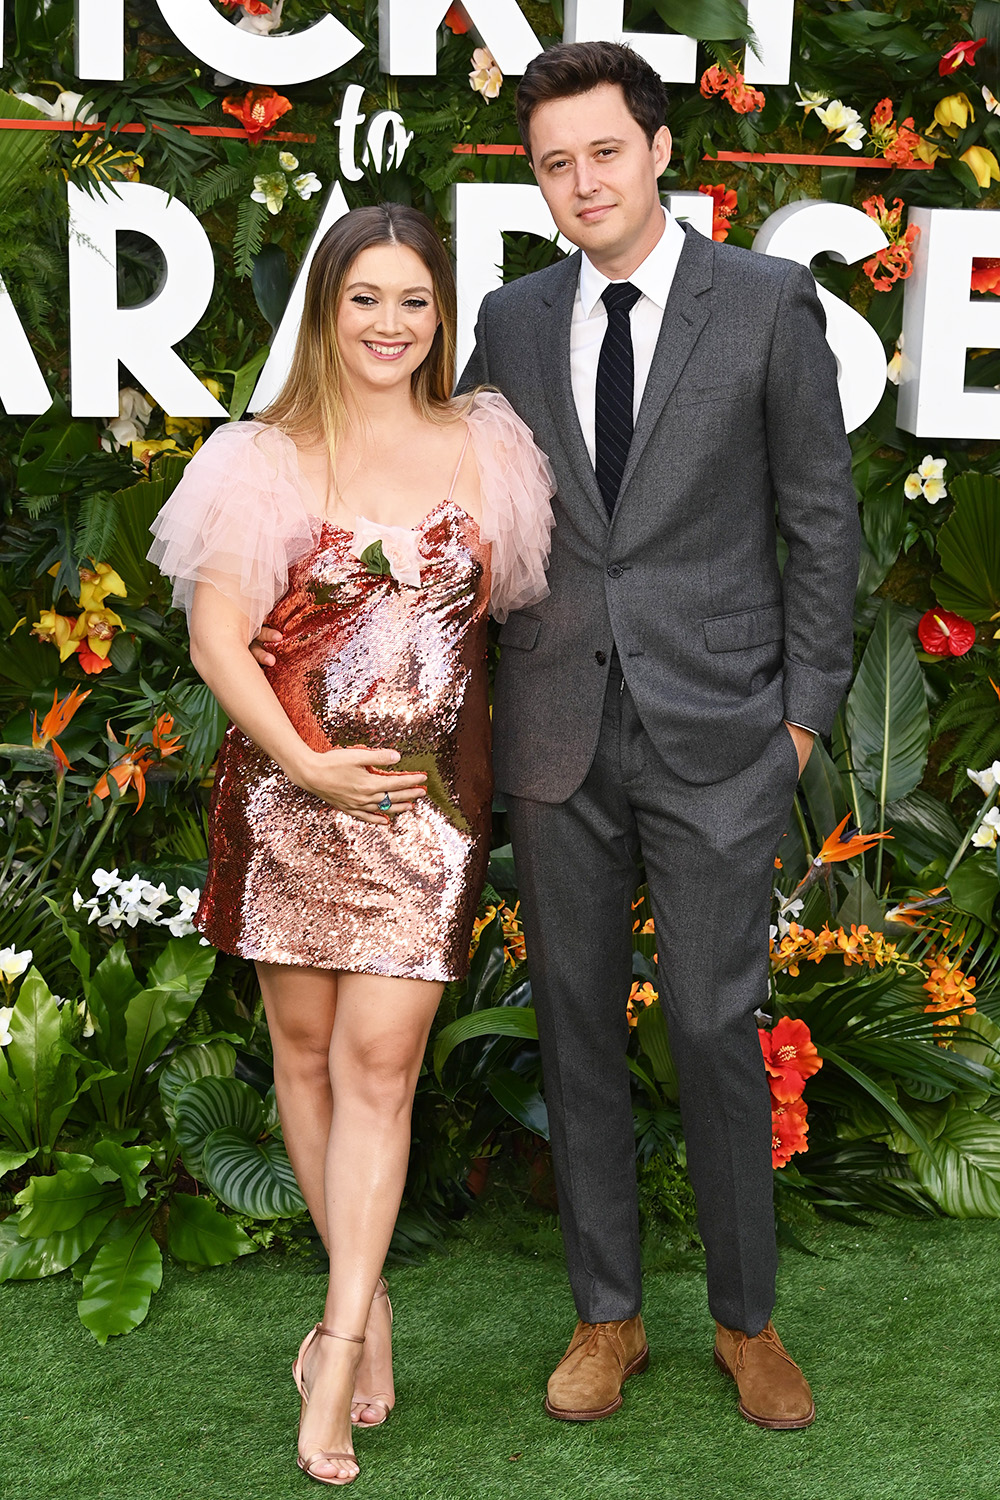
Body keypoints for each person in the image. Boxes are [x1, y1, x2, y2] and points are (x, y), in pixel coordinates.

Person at [455, 42, 860, 1430]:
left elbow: (822, 523)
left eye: (603, 152)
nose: (581, 182)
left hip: (722, 733)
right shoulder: (509, 322)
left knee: (710, 1021)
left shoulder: (763, 304)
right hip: (558, 736)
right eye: (555, 161)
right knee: (572, 1028)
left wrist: (800, 722)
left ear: (660, 149)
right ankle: (606, 1318)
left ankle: (747, 1325)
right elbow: (470, 512)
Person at [148, 203, 554, 1486]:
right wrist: (303, 759)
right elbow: (220, 638)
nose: (390, 323)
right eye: (365, 297)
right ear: (327, 307)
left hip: (422, 816)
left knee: (381, 1067)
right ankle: (367, 1304)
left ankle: (331, 1348)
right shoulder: (260, 456)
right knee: (306, 1056)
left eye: (414, 301)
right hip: (289, 796)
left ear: (441, 317)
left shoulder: (487, 446)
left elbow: (495, 632)